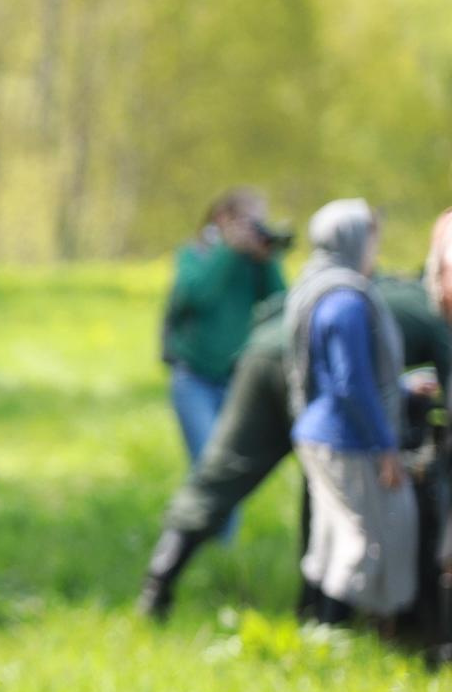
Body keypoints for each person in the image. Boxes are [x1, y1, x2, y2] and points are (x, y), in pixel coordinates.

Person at [136, 235, 452, 626]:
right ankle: (321, 617)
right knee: (337, 490)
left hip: (266, 350)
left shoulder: (385, 285)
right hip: (315, 375)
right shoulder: (439, 314)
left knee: (222, 475)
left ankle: (157, 586)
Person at [287, 199, 418, 625]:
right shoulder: (345, 299)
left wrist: (400, 388)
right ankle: (333, 629)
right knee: (366, 539)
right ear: (353, 240)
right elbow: (350, 384)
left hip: (320, 430)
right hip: (346, 437)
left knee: (332, 536)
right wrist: (385, 446)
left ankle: (316, 622)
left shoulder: (315, 284)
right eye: (370, 238)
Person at [161, 187, 288, 532]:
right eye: (249, 221)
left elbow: (281, 307)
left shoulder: (254, 264)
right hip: (194, 379)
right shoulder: (195, 254)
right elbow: (194, 297)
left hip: (235, 380)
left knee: (227, 469)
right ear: (222, 219)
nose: (255, 229)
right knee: (207, 465)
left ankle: (219, 553)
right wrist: (228, 253)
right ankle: (185, 539)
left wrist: (267, 261)